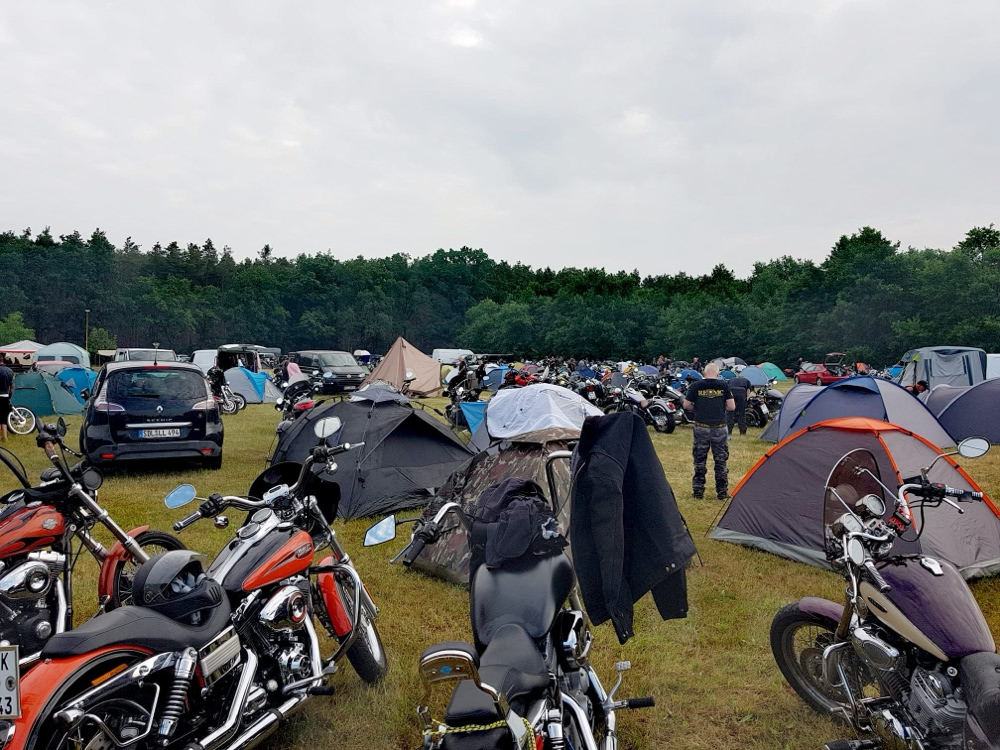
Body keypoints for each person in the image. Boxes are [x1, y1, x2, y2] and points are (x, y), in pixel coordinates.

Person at [682, 363, 735, 499]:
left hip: (701, 426)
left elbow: (686, 405)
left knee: (699, 460)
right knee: (721, 461)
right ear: (717, 374)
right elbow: (731, 407)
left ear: (704, 373)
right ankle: (722, 492)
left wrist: (698, 408)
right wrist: (720, 407)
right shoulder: (724, 385)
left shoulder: (696, 385)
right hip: (719, 427)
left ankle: (698, 492)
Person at [726, 372, 751, 436]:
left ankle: (729, 431)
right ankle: (742, 432)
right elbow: (748, 391)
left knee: (730, 413)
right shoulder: (747, 380)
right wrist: (746, 399)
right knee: (741, 413)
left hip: (731, 391)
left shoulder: (731, 380)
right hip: (742, 392)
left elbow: (727, 389)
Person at [0, 356, 14, 442]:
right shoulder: (10, 371)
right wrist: (9, 396)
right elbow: (12, 387)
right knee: (3, 417)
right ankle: (5, 437)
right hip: (5, 396)